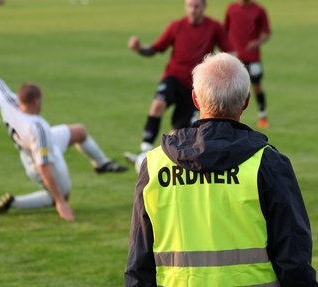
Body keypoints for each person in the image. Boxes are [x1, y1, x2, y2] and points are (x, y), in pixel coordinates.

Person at [124, 53, 317, 286]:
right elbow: (294, 259)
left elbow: (138, 266)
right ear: (246, 100)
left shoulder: (154, 165)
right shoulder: (268, 162)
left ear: (195, 99)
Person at [0, 28, 128, 222]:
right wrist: (60, 203)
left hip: (37, 143)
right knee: (62, 193)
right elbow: (44, 167)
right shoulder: (37, 127)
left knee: (79, 132)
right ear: (36, 102)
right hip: (35, 157)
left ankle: (102, 164)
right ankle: (15, 202)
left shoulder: (9, 102)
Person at [125, 0, 233, 164]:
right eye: (189, 5)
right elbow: (154, 49)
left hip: (195, 86)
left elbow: (229, 52)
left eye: (196, 6)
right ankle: (144, 152)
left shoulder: (214, 27)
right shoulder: (176, 26)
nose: (192, 10)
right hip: (173, 78)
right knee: (157, 105)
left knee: (177, 134)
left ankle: (154, 160)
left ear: (204, 6)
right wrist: (139, 48)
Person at [224, 0, 271, 128]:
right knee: (231, 88)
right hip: (235, 56)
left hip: (253, 57)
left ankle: (262, 114)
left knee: (256, 86)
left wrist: (257, 42)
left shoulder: (259, 10)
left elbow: (266, 33)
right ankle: (230, 118)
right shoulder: (231, 9)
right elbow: (225, 31)